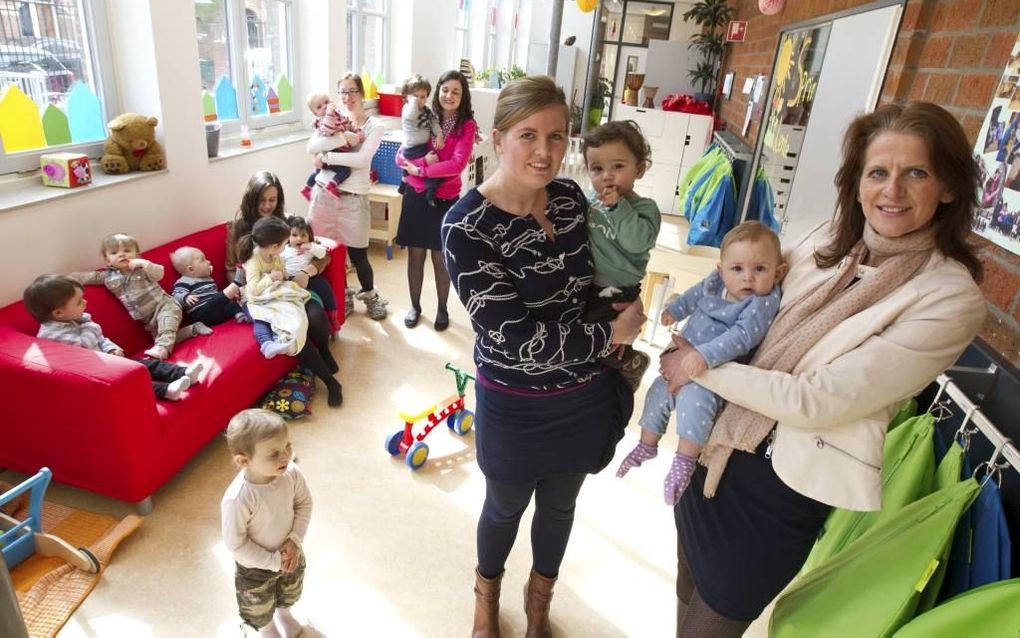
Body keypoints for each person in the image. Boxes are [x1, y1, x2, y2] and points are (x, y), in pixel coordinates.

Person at [662, 102, 986, 636]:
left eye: (917, 173)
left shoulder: (949, 297)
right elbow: (741, 295)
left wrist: (697, 366)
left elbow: (818, 400)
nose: (892, 191)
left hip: (782, 489)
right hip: (718, 446)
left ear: (949, 187)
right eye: (878, 172)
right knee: (687, 582)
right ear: (857, 182)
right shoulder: (823, 241)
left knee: (714, 619)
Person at [442, 76, 646, 637]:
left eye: (557, 137)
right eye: (528, 135)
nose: (545, 151)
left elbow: (600, 277)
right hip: (515, 402)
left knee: (559, 508)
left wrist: (625, 300)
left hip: (583, 393)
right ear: (497, 137)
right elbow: (514, 337)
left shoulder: (568, 198)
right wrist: (609, 335)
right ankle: (486, 599)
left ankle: (539, 602)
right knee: (504, 507)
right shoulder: (466, 226)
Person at [616, 221, 785, 506]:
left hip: (714, 371)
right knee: (659, 391)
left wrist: (702, 356)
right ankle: (647, 444)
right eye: (737, 269)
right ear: (721, 270)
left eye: (760, 269)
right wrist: (676, 309)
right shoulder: (716, 282)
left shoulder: (762, 301)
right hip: (686, 360)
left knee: (696, 401)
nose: (748, 278)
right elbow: (696, 294)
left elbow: (743, 337)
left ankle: (685, 460)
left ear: (778, 272)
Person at [226, 180, 344, 408]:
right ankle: (330, 382)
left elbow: (322, 253)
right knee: (290, 327)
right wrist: (241, 292)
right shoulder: (240, 230)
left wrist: (305, 272)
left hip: (288, 286)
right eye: (263, 200)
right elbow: (237, 271)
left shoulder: (286, 223)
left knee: (316, 315)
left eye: (273, 199)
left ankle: (324, 351)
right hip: (260, 296)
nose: (268, 205)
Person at [25, 274, 203, 401]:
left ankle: (183, 373)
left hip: (106, 362)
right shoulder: (51, 335)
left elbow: (100, 339)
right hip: (95, 376)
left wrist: (111, 348)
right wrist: (91, 326)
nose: (85, 303)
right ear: (58, 313)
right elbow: (83, 346)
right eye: (79, 302)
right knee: (133, 382)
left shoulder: (74, 320)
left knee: (145, 365)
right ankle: (166, 391)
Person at [581, 119, 660, 391]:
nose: (607, 176)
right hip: (590, 284)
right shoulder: (589, 202)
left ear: (639, 169)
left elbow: (637, 242)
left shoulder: (644, 209)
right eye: (597, 168)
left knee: (603, 342)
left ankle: (633, 362)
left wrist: (618, 208)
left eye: (618, 166)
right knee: (583, 334)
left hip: (619, 290)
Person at [396, 69, 477, 330]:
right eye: (445, 89)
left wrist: (422, 170)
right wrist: (419, 165)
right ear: (437, 92)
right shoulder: (421, 114)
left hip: (444, 198)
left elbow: (457, 164)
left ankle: (442, 308)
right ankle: (415, 306)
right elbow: (401, 156)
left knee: (441, 259)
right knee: (414, 257)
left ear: (463, 96)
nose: (449, 95)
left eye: (456, 91)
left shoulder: (467, 125)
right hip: (415, 194)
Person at [222, 409, 312, 638]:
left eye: (288, 447)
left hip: (290, 555)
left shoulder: (291, 473)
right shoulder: (238, 499)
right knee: (258, 607)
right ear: (244, 461)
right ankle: (267, 628)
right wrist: (273, 561)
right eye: (274, 454)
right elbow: (236, 545)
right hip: (254, 568)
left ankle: (285, 615)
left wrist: (294, 539)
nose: (286, 457)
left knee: (289, 592)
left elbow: (304, 504)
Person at [307, 73, 389, 321]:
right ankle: (343, 294)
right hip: (324, 195)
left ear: (362, 94)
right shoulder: (330, 120)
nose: (347, 97)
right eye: (343, 92)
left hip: (354, 198)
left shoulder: (375, 126)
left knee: (358, 255)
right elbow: (311, 148)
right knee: (328, 252)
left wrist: (327, 157)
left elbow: (360, 160)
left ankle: (371, 295)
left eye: (352, 91)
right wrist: (341, 139)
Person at [71, 233, 211, 360]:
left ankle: (162, 350)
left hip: (165, 306)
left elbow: (159, 274)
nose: (121, 254)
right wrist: (67, 277)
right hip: (148, 319)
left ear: (137, 255)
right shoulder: (107, 277)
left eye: (126, 251)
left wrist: (145, 264)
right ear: (108, 261)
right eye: (114, 252)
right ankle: (193, 329)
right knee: (162, 337)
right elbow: (88, 277)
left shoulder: (142, 268)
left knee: (165, 332)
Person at [300, 92, 366, 201]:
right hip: (331, 154)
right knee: (345, 171)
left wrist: (357, 132)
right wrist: (330, 113)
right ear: (315, 113)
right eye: (320, 107)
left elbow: (348, 126)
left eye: (327, 102)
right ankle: (332, 185)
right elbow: (328, 129)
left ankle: (307, 188)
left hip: (332, 154)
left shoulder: (338, 116)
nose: (325, 107)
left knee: (318, 171)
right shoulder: (322, 121)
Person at [282, 217, 340, 333]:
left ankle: (332, 316)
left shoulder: (311, 247)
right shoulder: (285, 250)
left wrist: (310, 247)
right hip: (290, 279)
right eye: (294, 235)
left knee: (324, 287)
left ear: (309, 236)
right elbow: (279, 263)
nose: (299, 239)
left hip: (311, 278)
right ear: (288, 237)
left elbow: (323, 254)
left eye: (303, 235)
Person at [170, 246, 249, 326]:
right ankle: (237, 283)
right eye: (203, 260)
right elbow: (175, 295)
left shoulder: (208, 279)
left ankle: (240, 315)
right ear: (191, 269)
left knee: (230, 303)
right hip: (202, 315)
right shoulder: (184, 281)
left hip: (217, 313)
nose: (209, 262)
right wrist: (185, 297)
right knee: (219, 297)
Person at [396, 74, 445, 203]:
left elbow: (434, 122)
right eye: (415, 96)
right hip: (412, 148)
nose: (419, 100)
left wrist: (439, 134)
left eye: (423, 97)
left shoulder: (426, 110)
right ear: (406, 97)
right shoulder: (408, 109)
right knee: (433, 162)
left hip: (421, 146)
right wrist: (413, 102)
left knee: (429, 161)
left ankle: (403, 183)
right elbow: (412, 116)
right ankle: (431, 192)